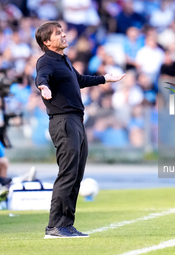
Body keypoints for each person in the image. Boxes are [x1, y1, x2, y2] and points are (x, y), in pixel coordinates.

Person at [35, 21, 125, 239]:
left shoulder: (63, 60)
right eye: (58, 34)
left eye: (63, 31)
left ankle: (66, 224)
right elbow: (42, 76)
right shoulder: (46, 60)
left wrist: (105, 78)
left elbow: (80, 80)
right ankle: (54, 226)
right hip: (63, 121)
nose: (64, 35)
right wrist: (43, 87)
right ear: (47, 42)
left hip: (75, 120)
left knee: (76, 174)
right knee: (67, 173)